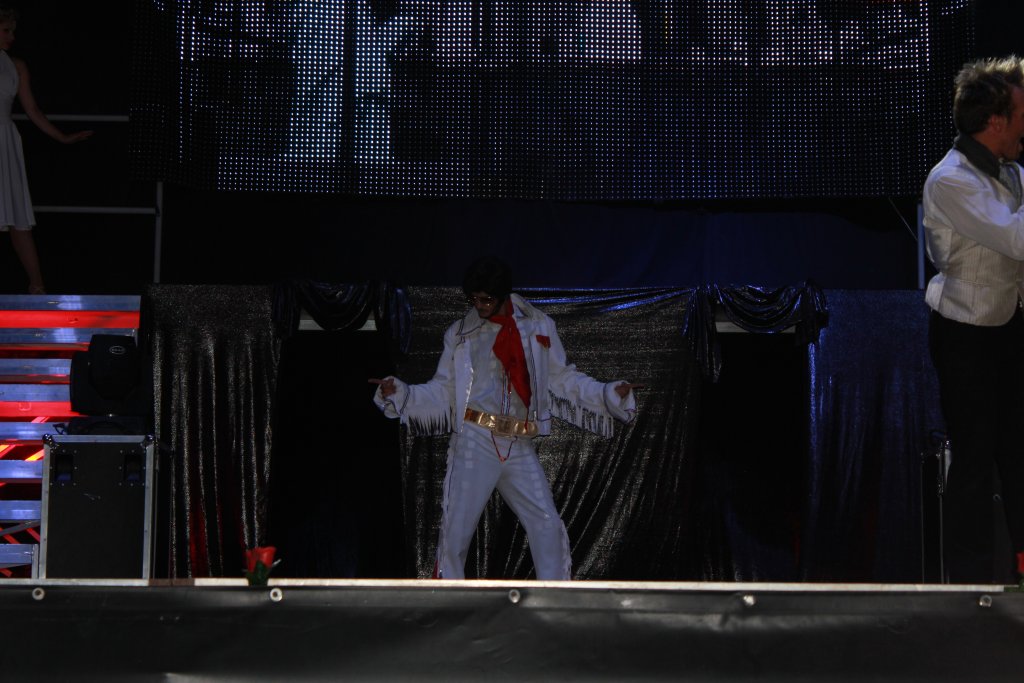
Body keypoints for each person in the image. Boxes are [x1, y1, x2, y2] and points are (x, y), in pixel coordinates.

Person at [370, 256, 640, 580]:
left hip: (518, 442)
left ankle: (556, 596)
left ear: (501, 296)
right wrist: (402, 394)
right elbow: (444, 389)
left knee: (546, 522)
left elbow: (562, 378)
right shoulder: (461, 333)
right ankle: (449, 599)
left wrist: (607, 393)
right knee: (456, 530)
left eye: (485, 299)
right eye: (474, 299)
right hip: (476, 438)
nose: (479, 306)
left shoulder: (538, 326)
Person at [923, 55, 1024, 584]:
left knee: (1019, 455)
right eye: (1022, 114)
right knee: (975, 458)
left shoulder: (1013, 172)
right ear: (996, 120)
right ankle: (971, 587)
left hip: (1009, 327)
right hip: (965, 333)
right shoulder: (950, 180)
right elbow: (1017, 238)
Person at [0, 6, 92, 294]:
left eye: (13, 31)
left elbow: (33, 110)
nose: (12, 36)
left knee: (18, 217)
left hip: (5, 142)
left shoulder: (16, 66)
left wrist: (62, 138)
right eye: (6, 30)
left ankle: (37, 288)